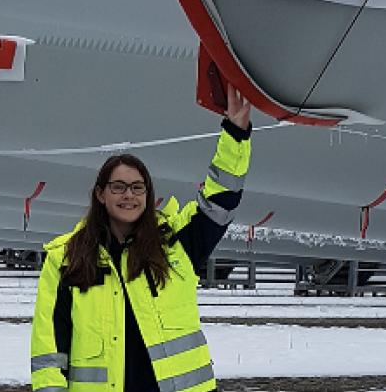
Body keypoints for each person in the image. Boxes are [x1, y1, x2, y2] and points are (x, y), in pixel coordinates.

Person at [30, 85, 251, 392]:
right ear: (100, 194)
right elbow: (49, 349)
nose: (129, 195)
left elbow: (222, 199)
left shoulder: (177, 245)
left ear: (148, 195)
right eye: (118, 187)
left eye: (138, 187)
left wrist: (236, 134)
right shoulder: (65, 259)